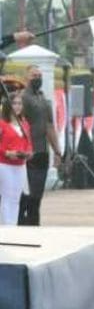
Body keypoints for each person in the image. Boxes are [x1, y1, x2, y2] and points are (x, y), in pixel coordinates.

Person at [18, 65, 62, 226]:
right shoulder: (23, 98)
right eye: (34, 75)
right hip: (28, 153)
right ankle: (23, 226)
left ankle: (34, 227)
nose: (37, 78)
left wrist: (57, 151)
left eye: (39, 75)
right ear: (26, 77)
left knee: (37, 196)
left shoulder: (43, 99)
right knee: (26, 197)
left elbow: (50, 126)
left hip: (43, 152)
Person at [0, 91, 32, 225]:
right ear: (8, 105)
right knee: (7, 197)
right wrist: (6, 153)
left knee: (16, 198)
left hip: (20, 164)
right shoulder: (2, 124)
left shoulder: (25, 124)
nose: (18, 106)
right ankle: (6, 227)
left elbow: (28, 143)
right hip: (5, 164)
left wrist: (29, 152)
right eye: (14, 103)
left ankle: (12, 225)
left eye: (20, 103)